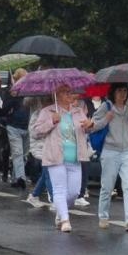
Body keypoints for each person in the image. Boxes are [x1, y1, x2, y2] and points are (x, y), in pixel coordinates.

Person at [30, 84, 95, 232]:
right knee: (59, 189)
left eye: (70, 92)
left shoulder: (78, 111)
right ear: (57, 95)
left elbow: (86, 129)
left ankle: (60, 212)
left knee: (73, 192)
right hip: (55, 157)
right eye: (65, 92)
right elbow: (35, 132)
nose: (69, 95)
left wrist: (90, 125)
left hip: (75, 157)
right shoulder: (48, 111)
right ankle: (65, 220)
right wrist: (51, 121)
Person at [92, 83, 128, 231]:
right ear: (113, 93)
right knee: (107, 186)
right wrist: (106, 119)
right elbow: (93, 125)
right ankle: (103, 216)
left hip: (127, 151)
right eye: (119, 91)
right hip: (110, 151)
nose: (122, 94)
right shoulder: (106, 107)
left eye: (125, 91)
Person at [6, 69, 32, 190]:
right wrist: (12, 97)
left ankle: (15, 178)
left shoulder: (31, 92)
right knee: (17, 153)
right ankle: (21, 177)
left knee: (24, 154)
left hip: (27, 127)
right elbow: (4, 108)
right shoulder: (11, 92)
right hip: (13, 127)